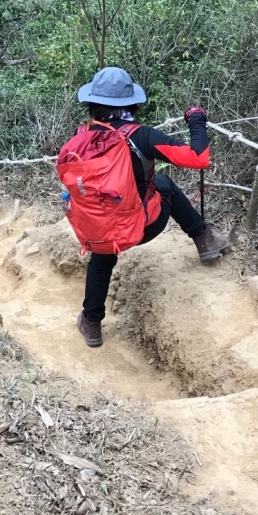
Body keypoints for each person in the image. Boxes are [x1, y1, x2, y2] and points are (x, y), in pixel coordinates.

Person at [71, 67, 230, 348]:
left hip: (95, 230)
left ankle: (92, 324)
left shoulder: (81, 137)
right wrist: (196, 121)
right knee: (164, 183)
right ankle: (204, 240)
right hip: (141, 227)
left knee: (102, 257)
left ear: (92, 103)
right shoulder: (141, 136)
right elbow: (198, 158)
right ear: (131, 102)